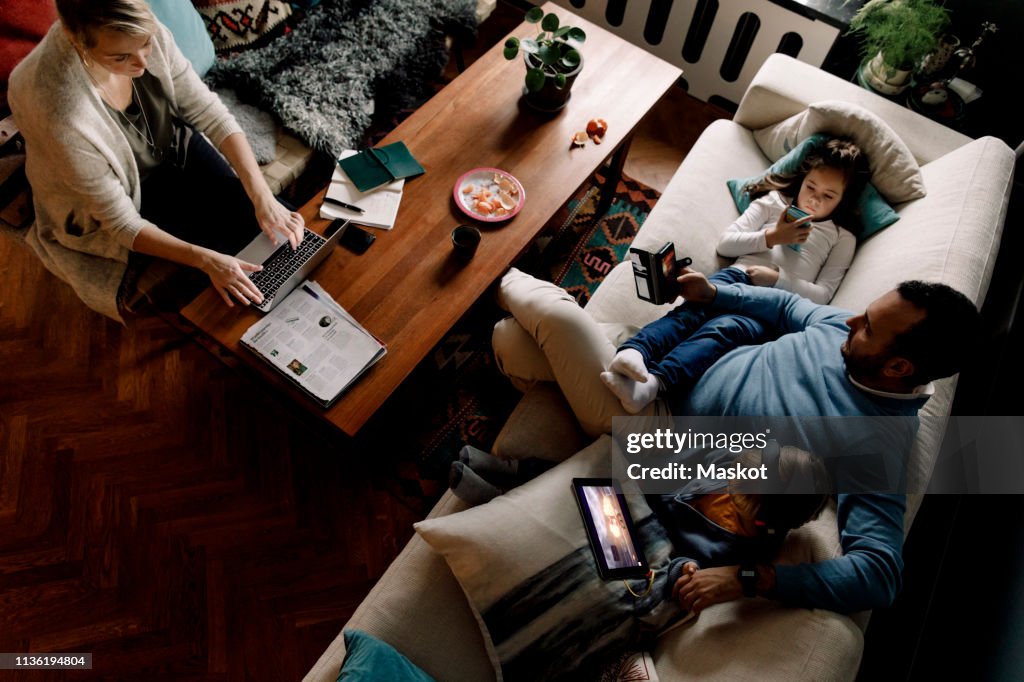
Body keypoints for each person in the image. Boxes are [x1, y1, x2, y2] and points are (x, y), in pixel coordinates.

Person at [491, 268, 981, 613]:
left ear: (899, 369)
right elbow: (790, 305)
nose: (850, 321)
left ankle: (494, 272)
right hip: (674, 364)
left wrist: (751, 579)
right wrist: (714, 294)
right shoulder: (847, 333)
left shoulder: (876, 444)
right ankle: (516, 342)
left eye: (867, 327)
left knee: (555, 320)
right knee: (510, 339)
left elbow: (878, 575)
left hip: (660, 434)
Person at [8, 0, 305, 322]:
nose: (141, 62)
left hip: (173, 145)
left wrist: (260, 195)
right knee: (239, 280)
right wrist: (208, 261)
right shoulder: (59, 111)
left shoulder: (139, 31)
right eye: (120, 57)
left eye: (146, 44)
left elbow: (209, 112)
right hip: (132, 189)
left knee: (282, 231)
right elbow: (121, 223)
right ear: (74, 38)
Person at [602, 137, 868, 414]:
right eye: (811, 186)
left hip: (772, 308)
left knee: (726, 330)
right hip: (736, 278)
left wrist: (777, 278)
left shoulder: (841, 236)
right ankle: (635, 351)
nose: (814, 200)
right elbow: (726, 243)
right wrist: (771, 237)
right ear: (803, 177)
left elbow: (824, 296)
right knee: (693, 312)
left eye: (828, 196)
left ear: (843, 200)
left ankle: (655, 383)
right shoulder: (773, 202)